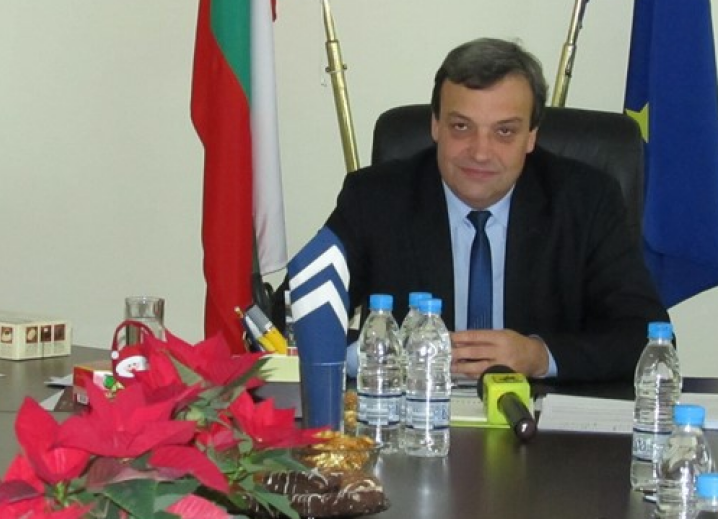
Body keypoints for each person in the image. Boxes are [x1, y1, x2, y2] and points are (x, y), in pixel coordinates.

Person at [284, 37, 669, 382]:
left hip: (537, 426)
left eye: (504, 131)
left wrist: (539, 356)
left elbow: (644, 334)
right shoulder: (375, 198)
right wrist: (382, 356)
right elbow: (296, 317)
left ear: (531, 136)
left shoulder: (585, 200)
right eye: (461, 127)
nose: (481, 152)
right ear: (436, 125)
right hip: (413, 419)